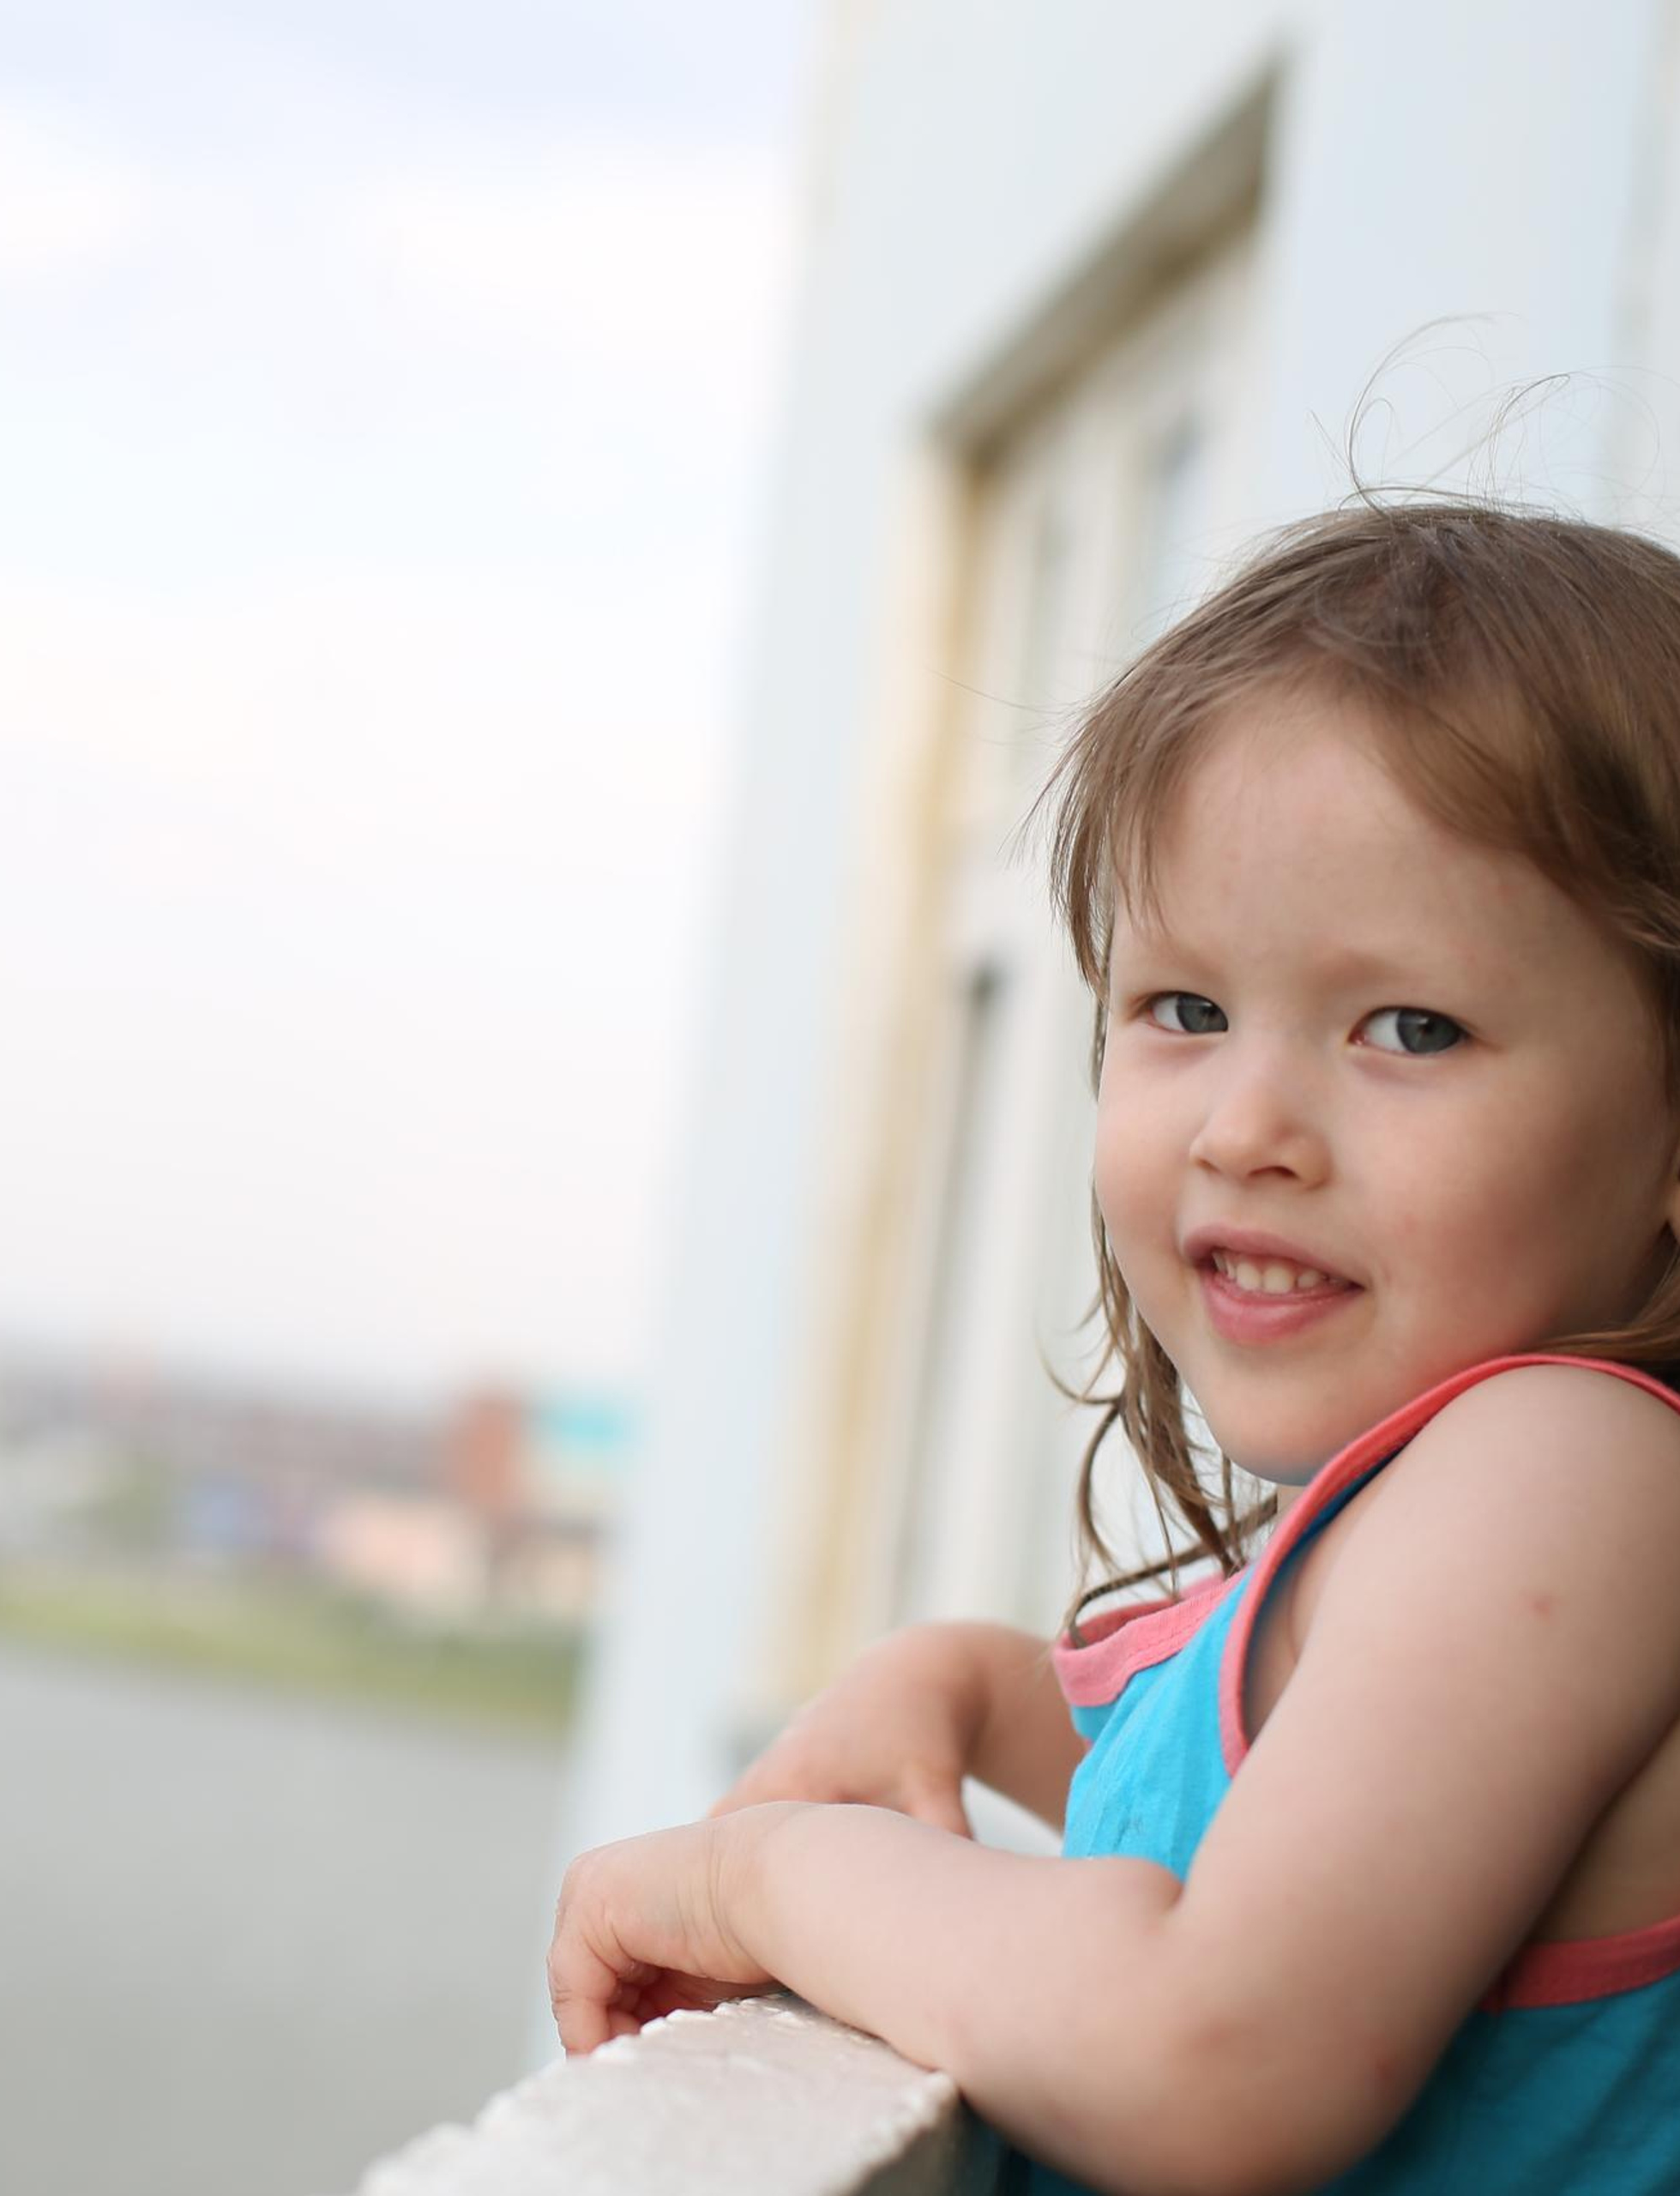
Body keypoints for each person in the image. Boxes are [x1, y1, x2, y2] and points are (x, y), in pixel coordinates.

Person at [545, 499, 1680, 2193]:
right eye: (1182, 1007)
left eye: (1407, 1025)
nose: (1244, 1124)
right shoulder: (1487, 1503)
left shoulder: (1569, 1470)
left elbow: (1208, 2054)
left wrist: (754, 1876)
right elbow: (1265, 1795)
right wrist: (966, 1678)